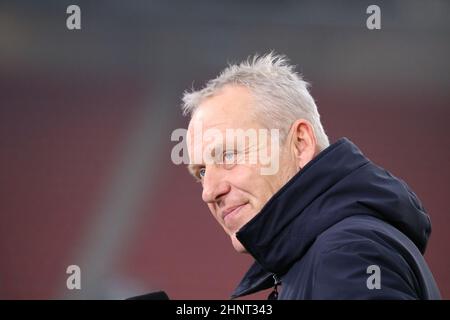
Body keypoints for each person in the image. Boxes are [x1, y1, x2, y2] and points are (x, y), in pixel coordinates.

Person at [181, 53, 441, 299]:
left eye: (228, 155)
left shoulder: (344, 254)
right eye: (202, 171)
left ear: (300, 144)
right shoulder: (331, 253)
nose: (208, 192)